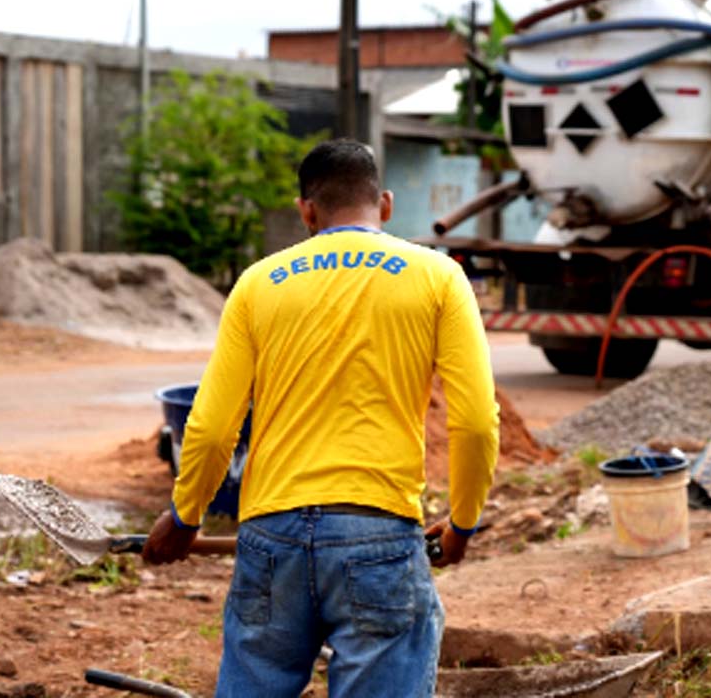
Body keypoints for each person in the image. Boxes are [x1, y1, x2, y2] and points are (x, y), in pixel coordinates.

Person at [143, 139, 501, 697]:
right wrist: (463, 520)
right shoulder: (438, 277)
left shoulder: (258, 283)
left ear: (305, 211)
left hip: (269, 538)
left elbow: (213, 429)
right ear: (384, 205)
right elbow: (477, 422)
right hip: (378, 534)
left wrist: (186, 513)